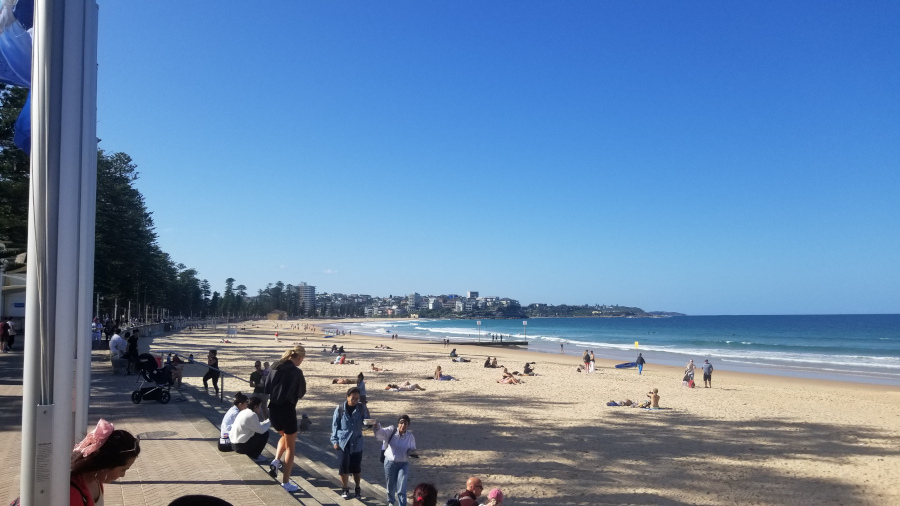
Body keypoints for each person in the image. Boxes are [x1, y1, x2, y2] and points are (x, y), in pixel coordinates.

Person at [70, 419, 141, 506]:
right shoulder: (72, 492)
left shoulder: (96, 480)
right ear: (107, 465)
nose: (123, 475)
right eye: (123, 470)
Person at [266, 346, 307, 492]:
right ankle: (286, 482)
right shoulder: (296, 372)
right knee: (291, 447)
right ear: (300, 357)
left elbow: (266, 387)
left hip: (273, 410)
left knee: (285, 436)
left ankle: (276, 461)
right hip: (287, 410)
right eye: (303, 359)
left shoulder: (275, 366)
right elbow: (301, 392)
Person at [331, 387, 370, 499]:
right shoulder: (339, 409)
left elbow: (366, 422)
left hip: (357, 442)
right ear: (347, 397)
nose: (355, 401)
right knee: (343, 467)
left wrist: (369, 423)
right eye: (353, 398)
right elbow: (335, 426)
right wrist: (335, 441)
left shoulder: (361, 408)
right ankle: (345, 488)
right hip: (343, 442)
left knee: (356, 468)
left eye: (357, 399)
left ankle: (357, 488)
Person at [374, 414, 418, 506]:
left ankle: (402, 504)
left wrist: (412, 454)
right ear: (398, 424)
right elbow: (379, 434)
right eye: (401, 423)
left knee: (402, 486)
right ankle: (391, 502)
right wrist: (377, 425)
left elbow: (412, 449)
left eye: (405, 423)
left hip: (403, 464)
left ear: (408, 425)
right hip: (390, 463)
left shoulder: (410, 437)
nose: (403, 425)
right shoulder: (391, 431)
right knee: (390, 485)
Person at [230, 396, 271, 462]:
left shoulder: (244, 411)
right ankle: (255, 455)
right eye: (260, 406)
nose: (260, 409)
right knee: (265, 433)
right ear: (256, 407)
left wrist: (266, 422)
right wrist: (270, 422)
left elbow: (256, 425)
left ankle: (253, 453)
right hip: (240, 447)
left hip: (233, 444)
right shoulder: (252, 415)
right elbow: (261, 430)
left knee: (259, 432)